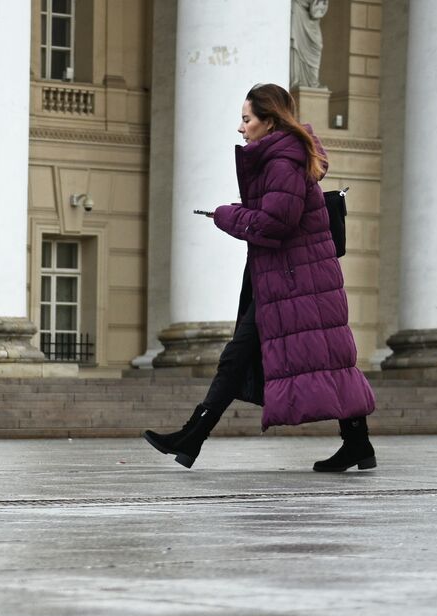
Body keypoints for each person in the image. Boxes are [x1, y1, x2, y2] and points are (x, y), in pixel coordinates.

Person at [143, 83, 377, 472]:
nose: (241, 127)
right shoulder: (287, 156)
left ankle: (191, 437)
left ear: (269, 122)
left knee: (246, 357)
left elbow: (276, 222)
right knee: (327, 358)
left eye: (247, 119)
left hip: (294, 281)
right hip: (294, 278)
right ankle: (357, 445)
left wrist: (226, 215)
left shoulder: (282, 161)